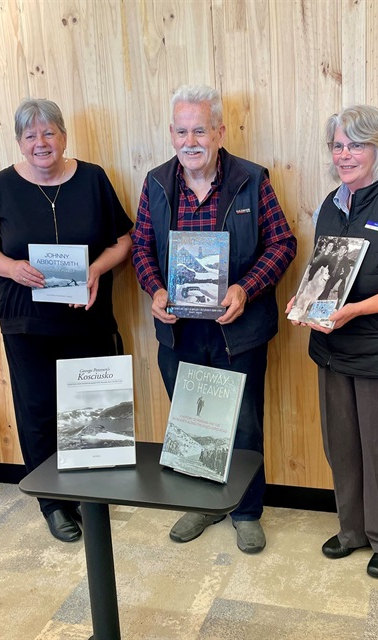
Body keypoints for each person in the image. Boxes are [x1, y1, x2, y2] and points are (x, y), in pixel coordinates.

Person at [132, 85, 296, 553]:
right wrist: (156, 288)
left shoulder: (251, 179)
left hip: (237, 328)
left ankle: (245, 511)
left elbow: (282, 244)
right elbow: (141, 247)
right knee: (191, 422)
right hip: (180, 331)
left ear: (220, 132)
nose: (191, 140)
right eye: (182, 131)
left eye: (200, 130)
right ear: (171, 134)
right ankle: (203, 504)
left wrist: (246, 288)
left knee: (243, 422)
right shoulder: (157, 182)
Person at [0, 98, 133, 543]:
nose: (41, 143)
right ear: (19, 143)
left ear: (63, 136)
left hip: (88, 319)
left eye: (48, 133)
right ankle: (53, 504)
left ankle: (90, 496)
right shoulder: (2, 185)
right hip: (28, 324)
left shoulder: (94, 179)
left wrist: (98, 268)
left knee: (92, 410)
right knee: (39, 411)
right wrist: (11, 268)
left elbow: (124, 240)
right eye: (30, 135)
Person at [287, 105, 378, 578]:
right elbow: (325, 272)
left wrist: (354, 311)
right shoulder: (333, 203)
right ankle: (353, 529)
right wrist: (306, 299)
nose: (345, 154)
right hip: (335, 351)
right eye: (338, 145)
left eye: (356, 144)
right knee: (342, 446)